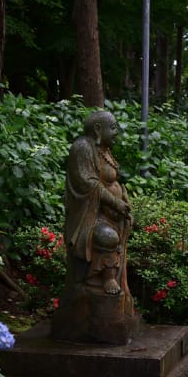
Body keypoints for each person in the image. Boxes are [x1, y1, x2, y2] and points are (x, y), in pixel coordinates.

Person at [52, 111, 138, 345]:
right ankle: (103, 277)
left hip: (109, 214)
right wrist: (115, 202)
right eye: (113, 127)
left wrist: (124, 201)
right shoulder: (82, 147)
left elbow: (112, 181)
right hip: (89, 218)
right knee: (108, 237)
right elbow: (88, 183)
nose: (117, 132)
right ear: (98, 129)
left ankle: (109, 279)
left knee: (114, 235)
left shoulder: (104, 151)